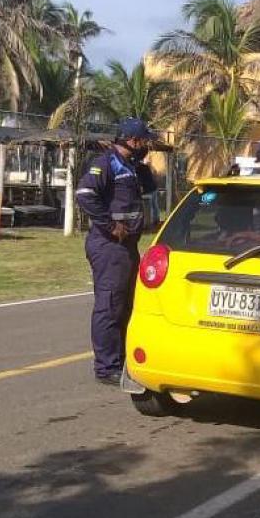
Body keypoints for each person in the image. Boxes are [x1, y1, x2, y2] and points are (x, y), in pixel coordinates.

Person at [75, 117, 157, 385]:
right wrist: (110, 225)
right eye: (144, 140)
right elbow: (85, 194)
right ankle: (106, 367)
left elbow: (151, 188)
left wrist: (143, 166)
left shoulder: (130, 166)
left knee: (125, 305)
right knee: (109, 306)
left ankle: (120, 359)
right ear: (132, 140)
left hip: (127, 247)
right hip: (109, 245)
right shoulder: (105, 163)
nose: (147, 144)